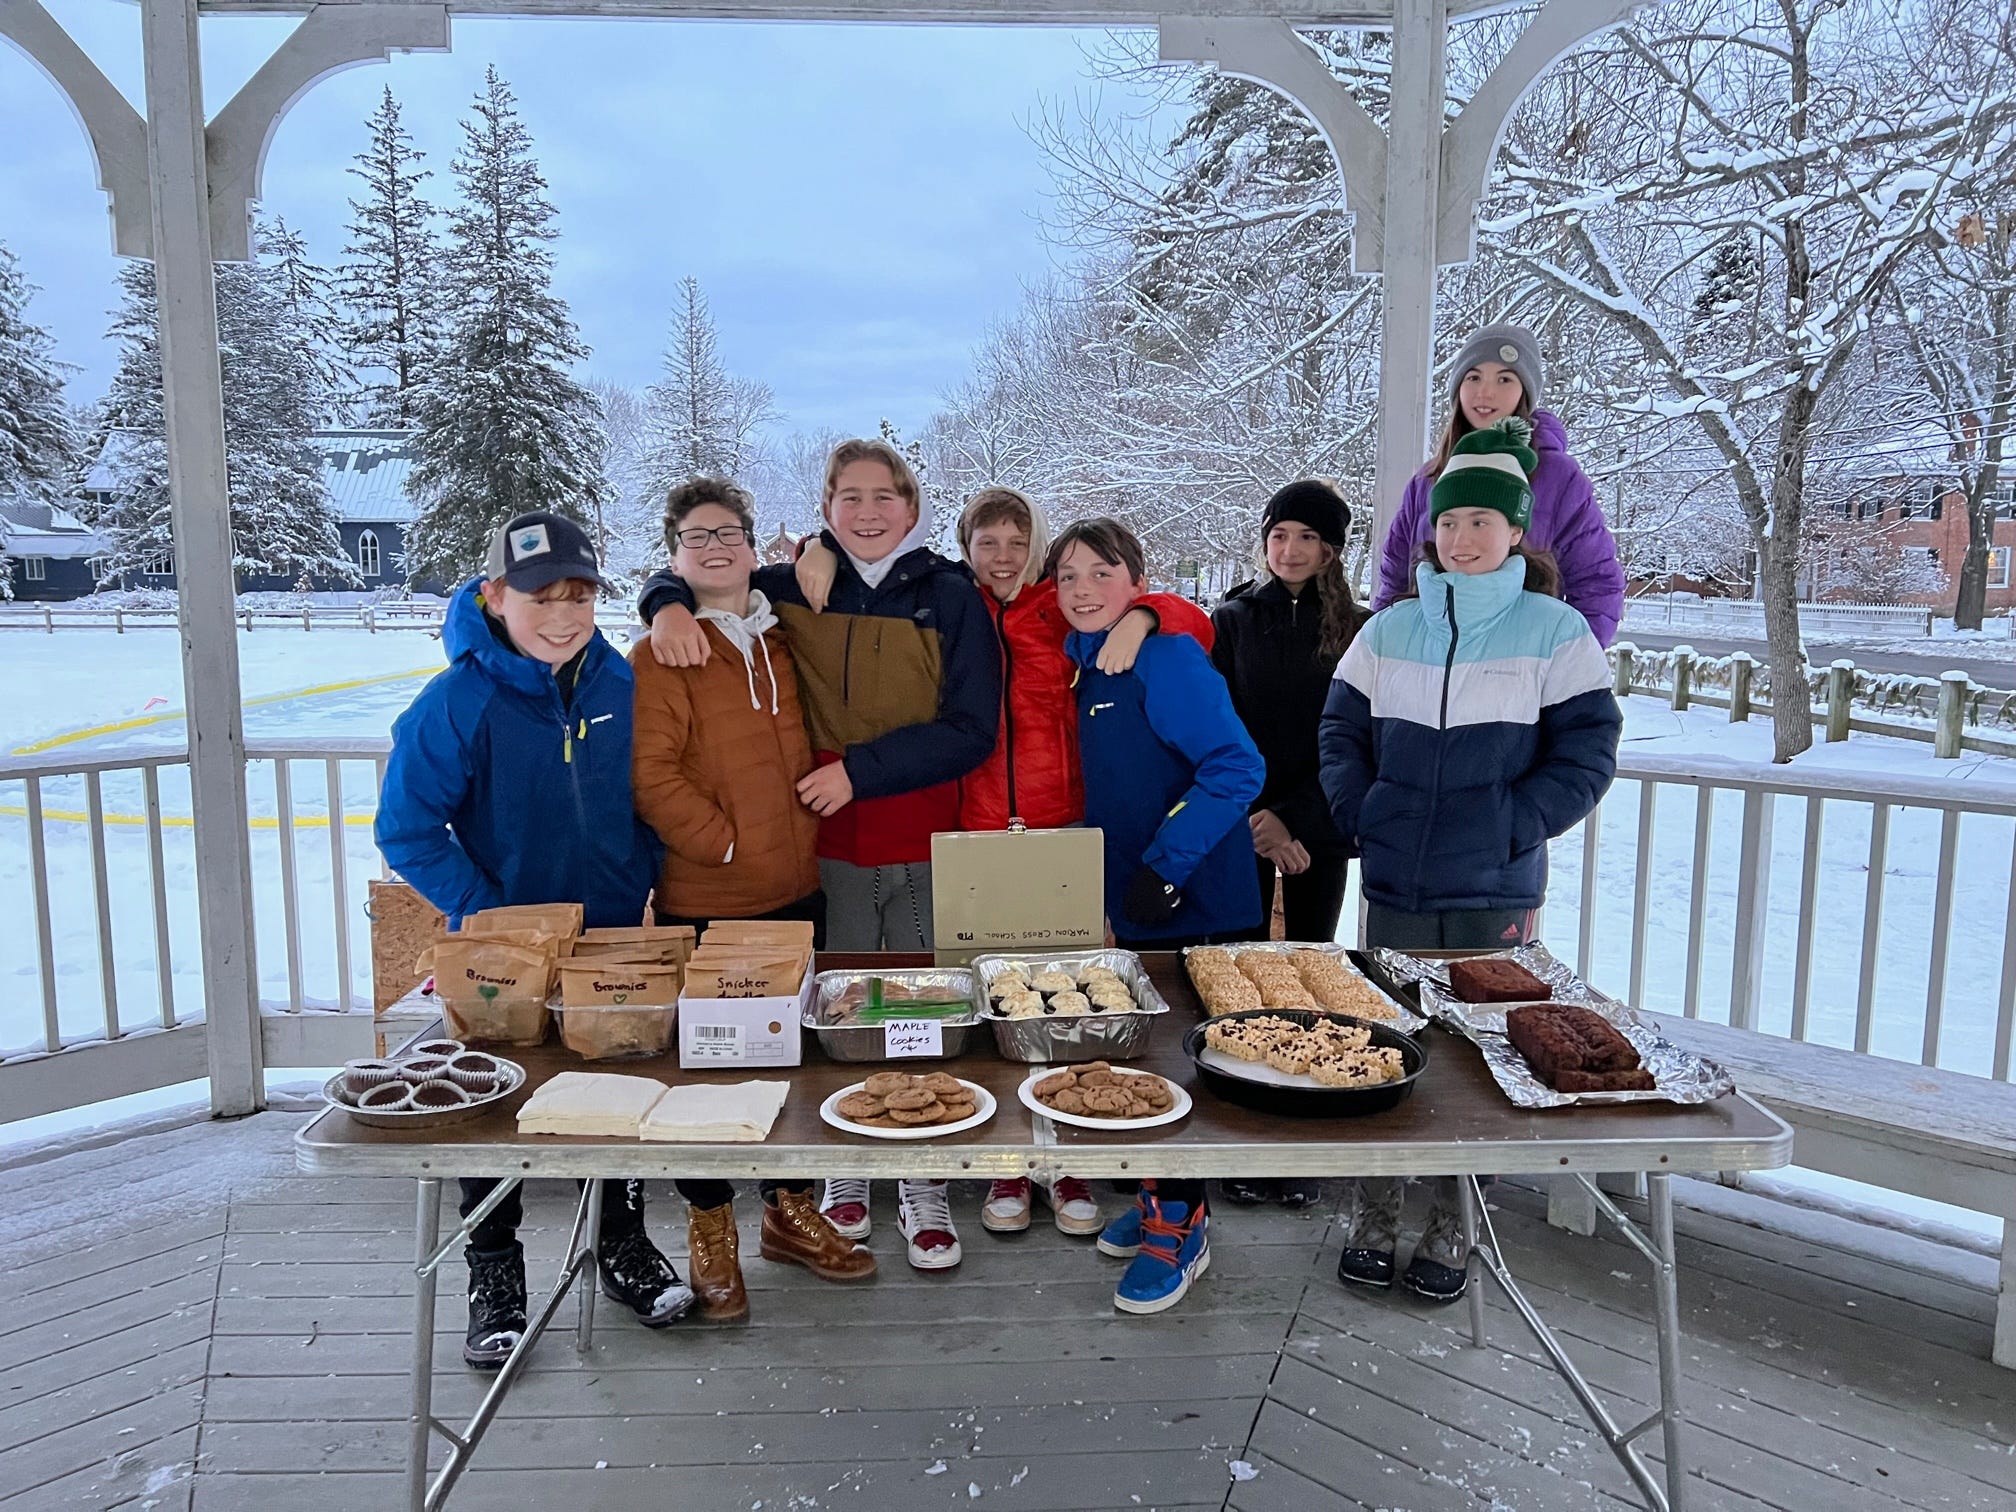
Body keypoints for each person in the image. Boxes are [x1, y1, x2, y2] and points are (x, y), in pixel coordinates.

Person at [808, 486, 1218, 1240]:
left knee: (1060, 1004)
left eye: (1017, 541)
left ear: (1037, 547)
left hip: (1061, 827)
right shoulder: (953, 603)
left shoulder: (1057, 608)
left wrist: (1147, 614)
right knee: (991, 999)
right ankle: (1005, 1157)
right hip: (975, 830)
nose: (1002, 557)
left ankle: (1063, 1157)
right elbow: (873, 571)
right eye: (986, 541)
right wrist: (819, 547)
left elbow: (1192, 620)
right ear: (965, 545)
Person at [636, 439, 1000, 1273]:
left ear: (913, 507)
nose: (868, 512)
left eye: (884, 496)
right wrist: (663, 603)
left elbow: (972, 729)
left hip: (919, 838)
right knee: (838, 1020)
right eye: (849, 498)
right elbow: (704, 575)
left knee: (918, 1012)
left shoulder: (949, 595)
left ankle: (923, 1176)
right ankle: (841, 1165)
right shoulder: (787, 589)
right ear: (826, 508)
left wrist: (861, 772)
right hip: (824, 849)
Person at [375, 511, 690, 1369]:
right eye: (540, 597)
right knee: (495, 1108)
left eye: (578, 597)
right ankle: (494, 1270)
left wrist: (643, 867)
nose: (562, 616)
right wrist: (491, 915)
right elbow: (406, 830)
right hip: (498, 959)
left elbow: (649, 789)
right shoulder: (458, 702)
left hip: (609, 940)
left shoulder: (618, 681)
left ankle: (621, 1243)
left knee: (617, 1089)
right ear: (494, 597)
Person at [1320, 419, 1621, 1301]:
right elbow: (1340, 732)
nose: (1461, 537)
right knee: (1388, 1040)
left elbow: (1588, 754)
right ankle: (1376, 1211)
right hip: (1396, 883)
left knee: (1490, 1051)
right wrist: (1362, 813)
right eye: (1448, 521)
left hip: (1496, 886)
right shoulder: (1389, 629)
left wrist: (1513, 822)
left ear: (1516, 530)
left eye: (1481, 521)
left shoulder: (1555, 630)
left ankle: (1456, 1222)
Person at [629, 477, 875, 1320]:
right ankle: (710, 1225)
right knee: (710, 1073)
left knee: (790, 1063)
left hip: (799, 889)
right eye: (696, 537)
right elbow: (652, 776)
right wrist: (725, 844)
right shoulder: (662, 650)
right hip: (712, 897)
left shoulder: (779, 632)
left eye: (728, 533)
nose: (715, 548)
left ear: (751, 543)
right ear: (673, 556)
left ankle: (788, 1212)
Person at [1051, 517, 1265, 1315]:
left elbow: (1237, 766)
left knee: (1182, 1070)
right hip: (1138, 895)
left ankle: (1183, 1227)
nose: (1082, 590)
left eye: (1101, 573)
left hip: (1193, 898)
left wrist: (1167, 868)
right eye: (1067, 576)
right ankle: (1158, 1199)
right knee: (1144, 1064)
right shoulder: (1087, 662)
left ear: (1136, 583)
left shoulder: (1163, 655)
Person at [1210, 477, 1368, 1211]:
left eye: (1307, 537)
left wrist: (1297, 819)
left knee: (1312, 980)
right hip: (1243, 826)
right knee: (1238, 980)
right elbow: (1218, 727)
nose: (1290, 549)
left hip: (1319, 829)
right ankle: (1243, 1131)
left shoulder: (1359, 628)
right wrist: (1259, 816)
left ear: (1331, 549)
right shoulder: (1233, 620)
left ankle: (1302, 1138)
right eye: (1279, 535)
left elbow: (1358, 738)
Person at [1374, 323, 1625, 646]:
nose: (1485, 392)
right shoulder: (1427, 481)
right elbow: (1394, 582)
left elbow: (1596, 584)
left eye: (1504, 379)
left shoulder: (1559, 478)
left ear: (1525, 391)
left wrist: (1568, 661)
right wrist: (1384, 649)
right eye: (1473, 377)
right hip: (1431, 663)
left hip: (1518, 662)